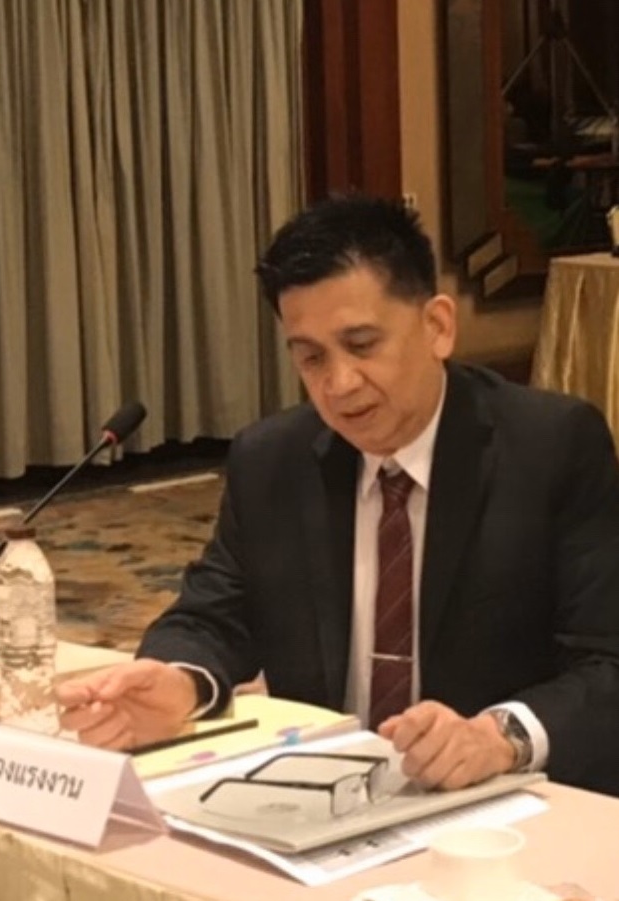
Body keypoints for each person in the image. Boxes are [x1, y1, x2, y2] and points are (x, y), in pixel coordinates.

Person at [57, 194, 619, 796]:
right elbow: (212, 616)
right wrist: (180, 680)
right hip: (322, 797)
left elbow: (607, 661)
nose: (339, 383)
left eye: (362, 345)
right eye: (311, 358)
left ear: (437, 326)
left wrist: (499, 736)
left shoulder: (551, 446)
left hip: (500, 805)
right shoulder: (272, 460)